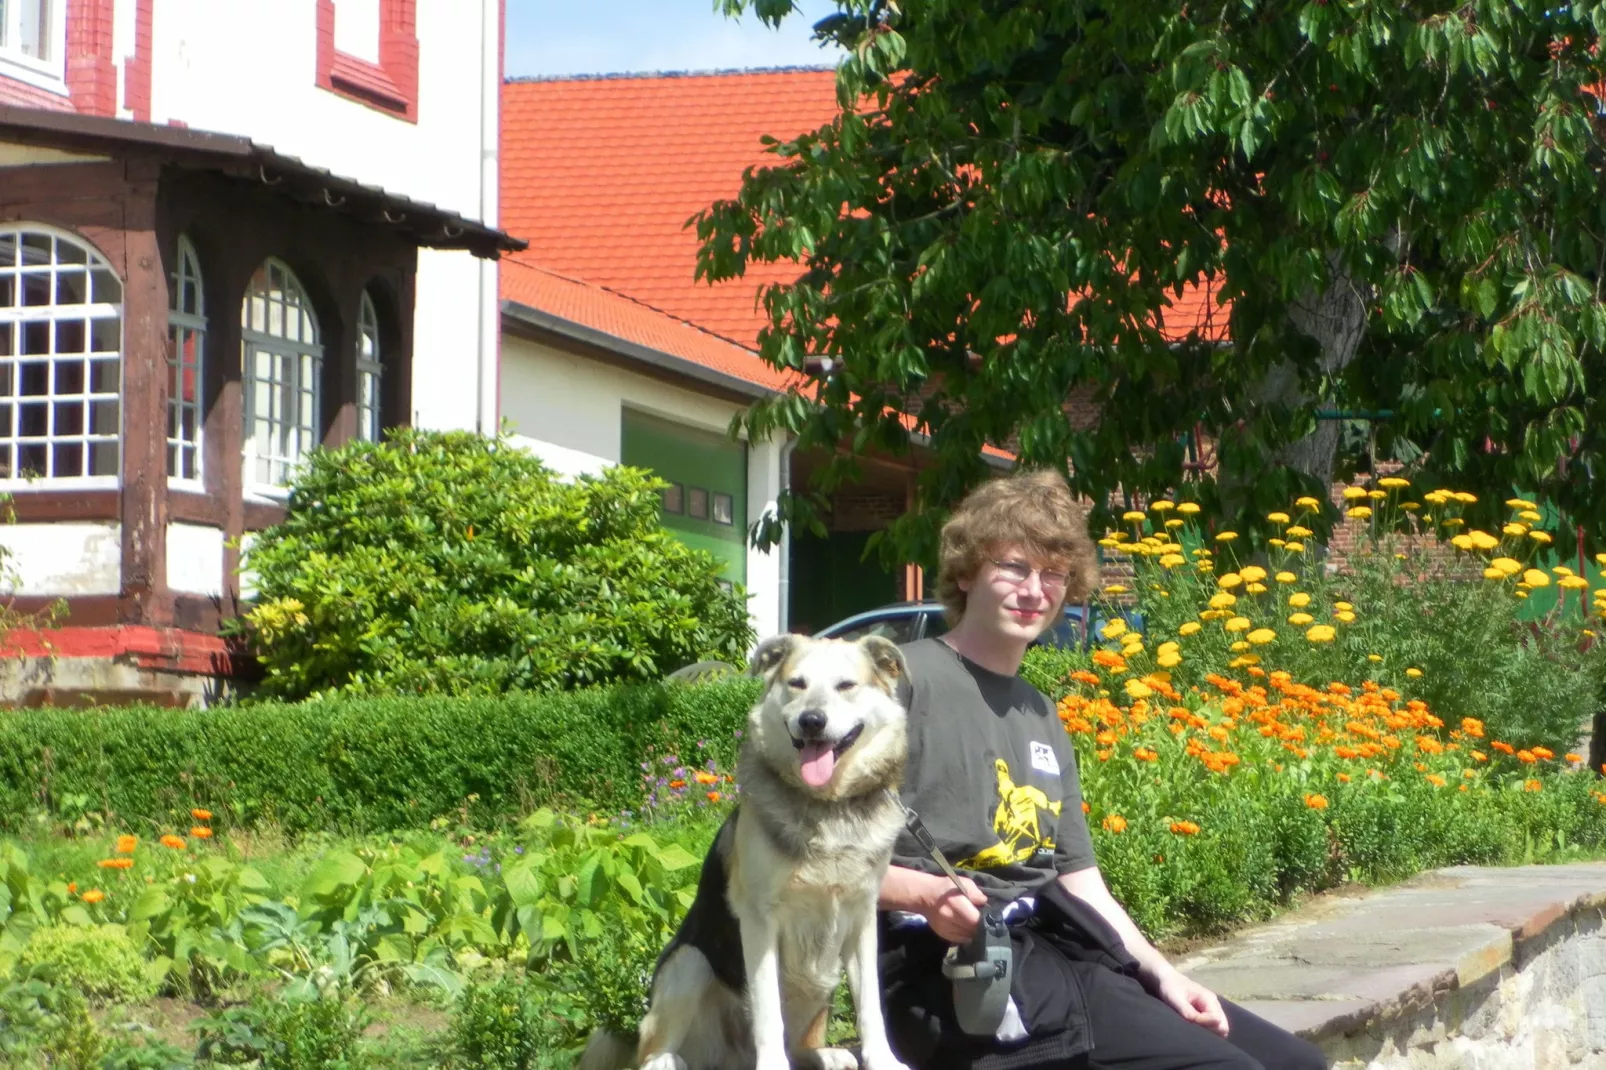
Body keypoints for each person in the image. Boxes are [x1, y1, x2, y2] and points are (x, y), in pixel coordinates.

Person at [878, 469, 1326, 1070]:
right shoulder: (898, 679)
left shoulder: (1040, 712)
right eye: (1013, 567)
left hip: (1053, 949)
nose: (1035, 589)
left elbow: (1079, 880)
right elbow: (794, 851)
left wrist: (1166, 976)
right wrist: (926, 893)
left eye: (1053, 574)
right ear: (965, 572)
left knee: (1297, 1064)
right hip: (949, 971)